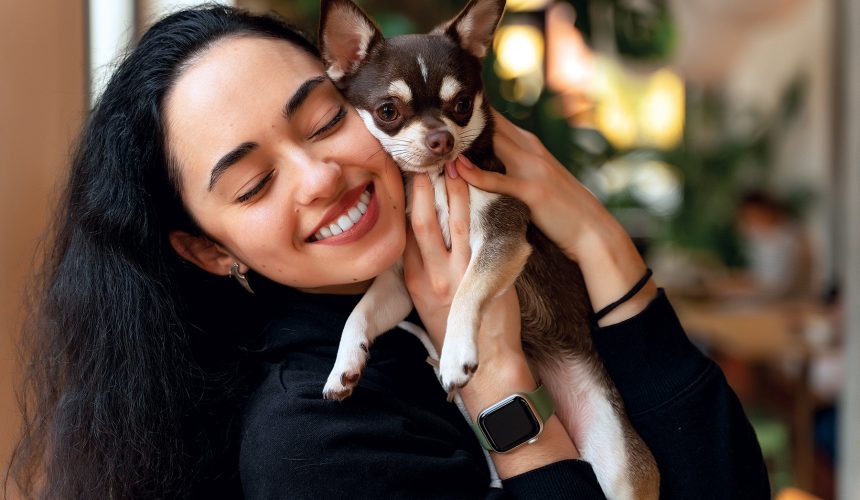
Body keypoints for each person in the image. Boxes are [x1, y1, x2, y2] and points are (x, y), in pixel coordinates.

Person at [9, 6, 769, 499]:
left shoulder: (490, 259)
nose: (320, 177)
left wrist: (600, 242)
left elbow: (729, 484)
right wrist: (500, 386)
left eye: (323, 122)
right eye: (255, 184)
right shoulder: (311, 441)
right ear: (210, 250)